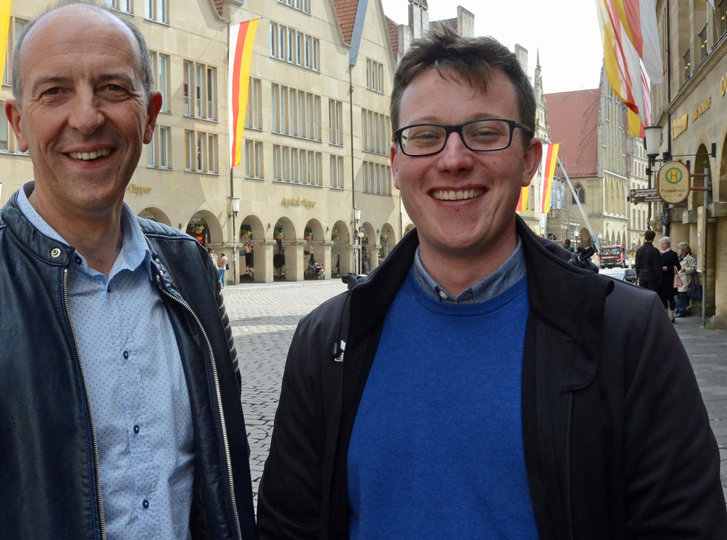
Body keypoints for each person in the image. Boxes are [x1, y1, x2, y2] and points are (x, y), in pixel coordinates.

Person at [257, 24, 726, 539]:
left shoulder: (626, 334)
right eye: (425, 136)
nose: (453, 160)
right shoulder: (329, 339)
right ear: (396, 163)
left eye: (485, 132)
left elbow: (684, 526)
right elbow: (289, 526)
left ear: (530, 160)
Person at [0, 4, 256, 539]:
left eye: (113, 88)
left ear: (151, 115)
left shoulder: (190, 268)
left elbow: (224, 472)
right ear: (18, 124)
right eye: (55, 92)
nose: (86, 118)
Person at [658, 236, 680, 322]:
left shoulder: (672, 254)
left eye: (664, 244)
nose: (662, 245)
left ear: (668, 244)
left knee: (670, 297)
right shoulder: (660, 254)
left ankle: (672, 316)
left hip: (669, 279)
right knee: (662, 297)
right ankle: (665, 315)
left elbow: (678, 266)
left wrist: (668, 268)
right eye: (661, 244)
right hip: (661, 279)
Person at [675, 241, 697, 318]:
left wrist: (685, 269)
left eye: (679, 249)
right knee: (679, 296)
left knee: (683, 296)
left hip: (685, 279)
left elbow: (694, 268)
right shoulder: (678, 257)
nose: (678, 251)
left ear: (684, 250)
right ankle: (678, 310)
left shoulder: (690, 258)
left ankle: (681, 311)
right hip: (678, 279)